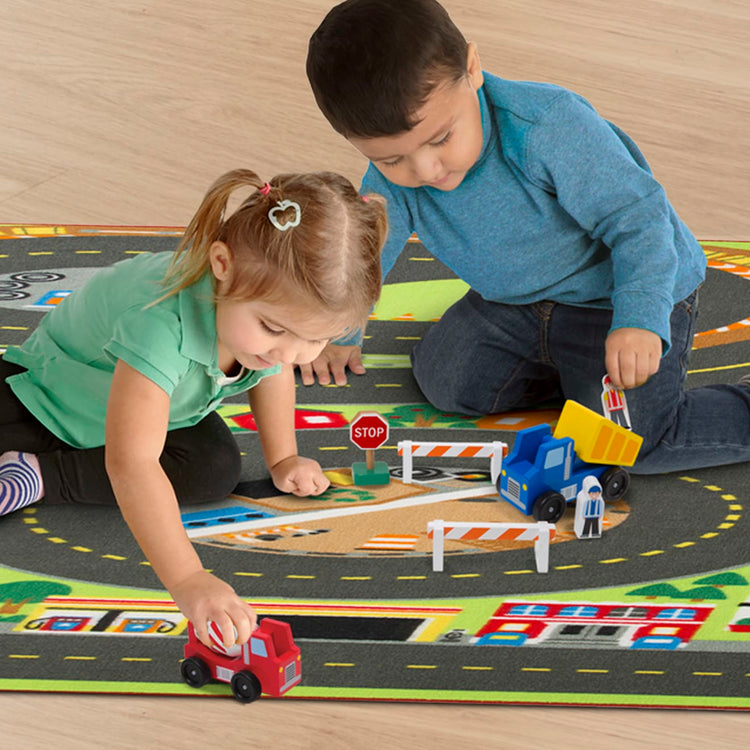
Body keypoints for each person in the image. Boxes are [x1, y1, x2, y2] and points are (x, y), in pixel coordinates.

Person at [305, 0, 750, 474]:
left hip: (619, 296)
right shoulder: (396, 174)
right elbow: (369, 249)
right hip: (516, 302)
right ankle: (576, 382)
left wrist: (638, 318)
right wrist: (341, 331)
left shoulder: (548, 127)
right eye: (392, 160)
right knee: (445, 382)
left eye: (440, 139)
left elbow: (639, 220)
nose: (425, 171)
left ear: (473, 69)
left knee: (632, 444)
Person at [0, 168, 387, 647]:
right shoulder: (160, 324)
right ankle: (33, 459)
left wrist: (283, 457)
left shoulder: (262, 324)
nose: (292, 353)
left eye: (316, 339)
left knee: (216, 467)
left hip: (160, 411)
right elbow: (131, 465)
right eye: (274, 329)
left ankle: (35, 475)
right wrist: (188, 580)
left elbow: (273, 373)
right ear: (222, 264)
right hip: (46, 396)